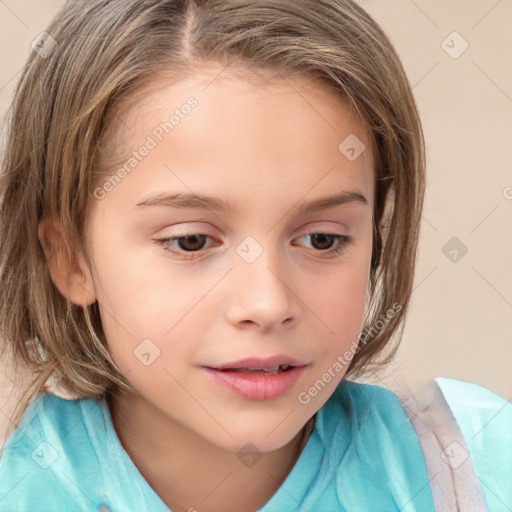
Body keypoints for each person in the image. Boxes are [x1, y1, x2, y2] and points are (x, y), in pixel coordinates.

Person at [0, 0, 510, 510]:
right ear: (71, 259)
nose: (267, 304)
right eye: (191, 241)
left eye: (322, 239)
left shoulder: (476, 469)